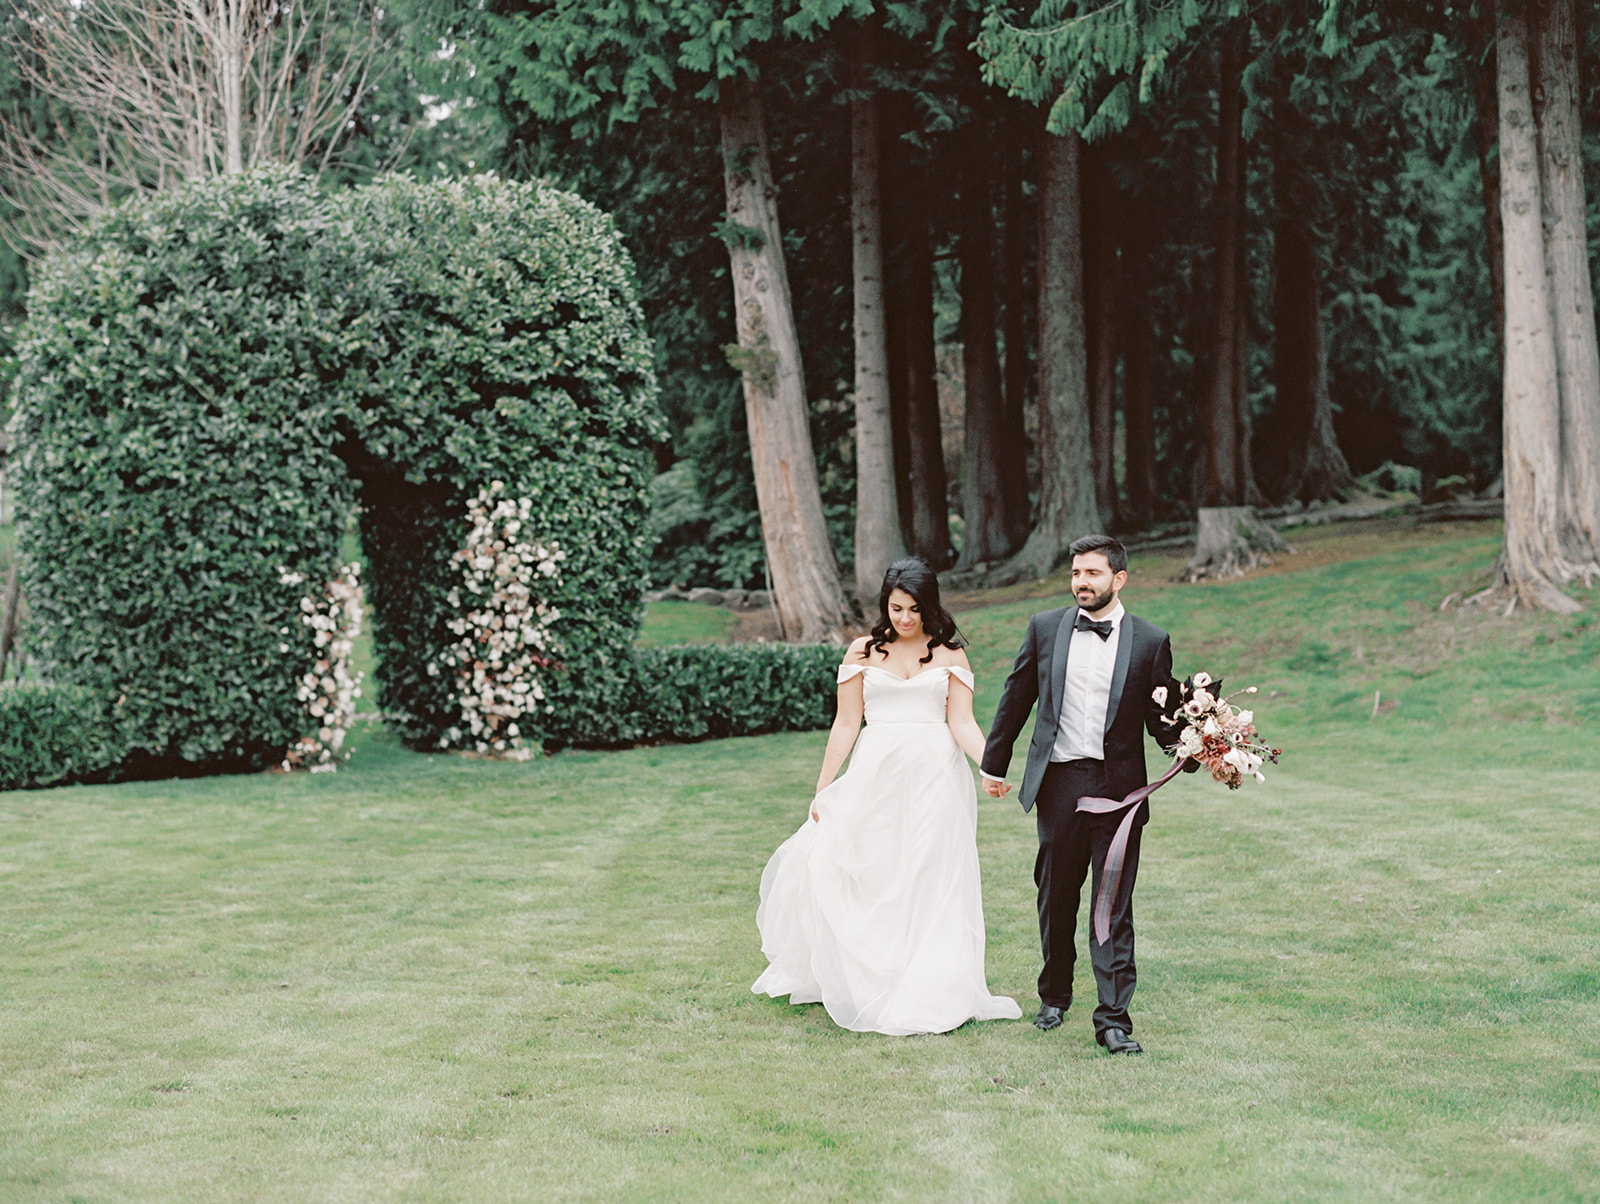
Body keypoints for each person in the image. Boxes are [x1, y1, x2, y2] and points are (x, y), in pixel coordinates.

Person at [752, 557, 1022, 1035]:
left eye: (914, 609)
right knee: (875, 870)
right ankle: (872, 975)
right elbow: (847, 721)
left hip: (936, 776)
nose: (904, 618)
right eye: (896, 607)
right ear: (885, 605)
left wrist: (991, 765)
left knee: (930, 873)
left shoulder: (951, 654)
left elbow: (961, 721)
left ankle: (932, 981)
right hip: (876, 774)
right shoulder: (862, 651)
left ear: (929, 607)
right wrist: (824, 785)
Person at [980, 534, 1178, 1055]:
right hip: (1060, 784)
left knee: (1112, 905)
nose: (1081, 583)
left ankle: (1113, 1019)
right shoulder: (1045, 629)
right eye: (1075, 574)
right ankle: (1054, 995)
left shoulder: (1151, 641)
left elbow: (1163, 720)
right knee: (1057, 893)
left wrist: (1203, 744)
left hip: (1120, 792)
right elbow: (1016, 694)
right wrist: (994, 764)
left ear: (1119, 578)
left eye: (1092, 573)